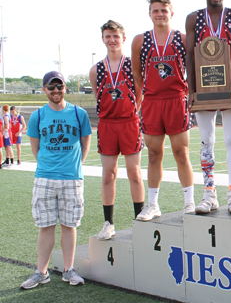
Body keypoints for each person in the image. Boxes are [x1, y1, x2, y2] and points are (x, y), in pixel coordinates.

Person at [20, 71, 92, 289]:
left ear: (65, 88)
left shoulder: (79, 114)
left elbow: (85, 144)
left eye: (59, 86)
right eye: (51, 87)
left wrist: (72, 167)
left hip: (71, 178)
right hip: (45, 177)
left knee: (69, 225)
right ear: (44, 90)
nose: (55, 91)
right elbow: (36, 149)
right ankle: (41, 272)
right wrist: (49, 166)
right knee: (46, 225)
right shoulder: (38, 116)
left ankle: (68, 270)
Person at [185, 0, 231, 214]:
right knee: (206, 141)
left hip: (229, 88)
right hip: (203, 90)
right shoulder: (193, 19)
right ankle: (209, 193)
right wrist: (191, 90)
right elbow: (190, 55)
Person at [132, 0, 195, 220]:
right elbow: (137, 73)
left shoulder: (183, 38)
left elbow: (193, 69)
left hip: (176, 100)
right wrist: (149, 93)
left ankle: (189, 202)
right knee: (153, 154)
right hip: (152, 102)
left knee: (181, 153)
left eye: (164, 10)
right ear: (150, 13)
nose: (160, 14)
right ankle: (152, 204)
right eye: (155, 10)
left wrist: (185, 94)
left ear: (171, 13)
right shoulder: (140, 40)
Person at [90, 20, 145, 240]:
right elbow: (97, 96)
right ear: (103, 39)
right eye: (107, 36)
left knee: (134, 172)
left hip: (129, 122)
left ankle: (140, 219)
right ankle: (108, 223)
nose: (112, 40)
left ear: (123, 38)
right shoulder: (97, 69)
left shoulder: (133, 65)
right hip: (107, 124)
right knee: (108, 174)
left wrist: (130, 113)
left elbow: (139, 95)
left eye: (115, 36)